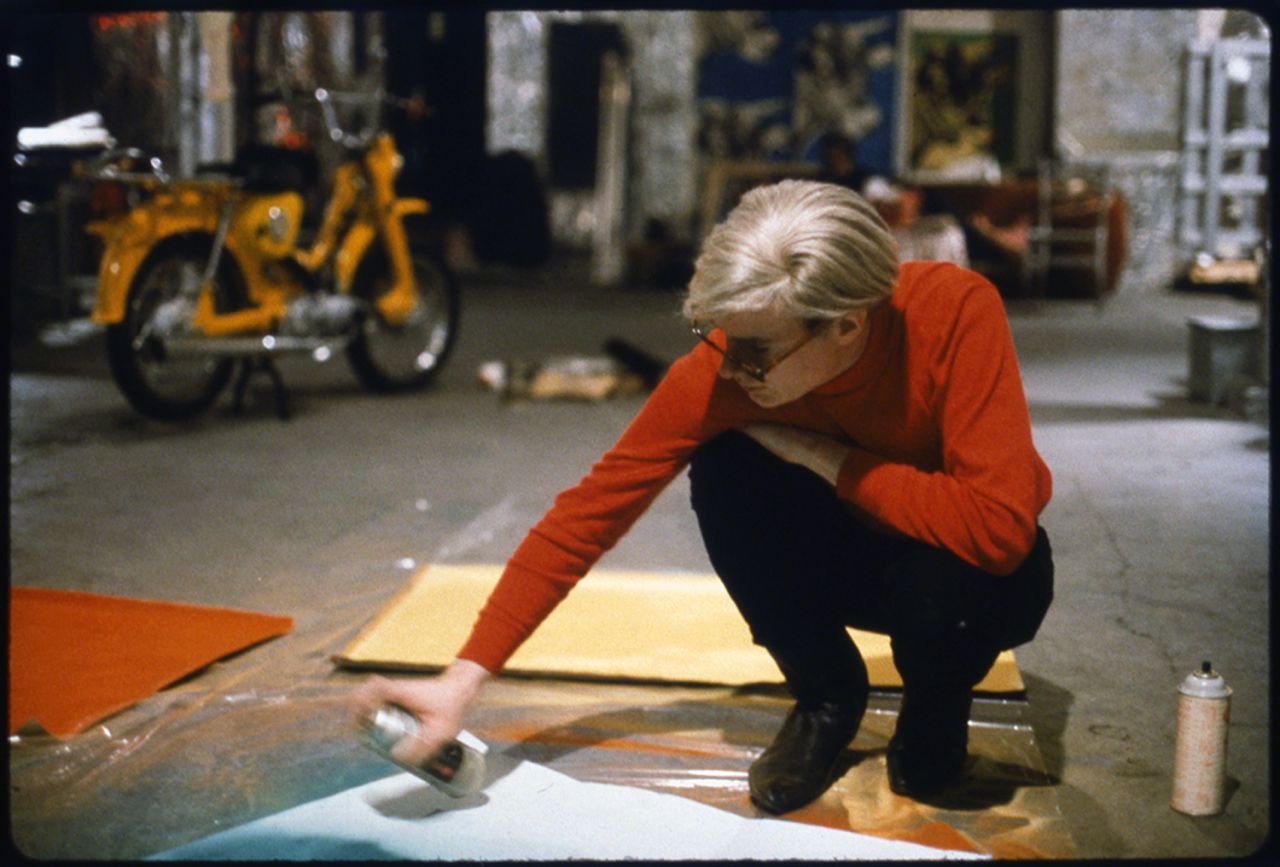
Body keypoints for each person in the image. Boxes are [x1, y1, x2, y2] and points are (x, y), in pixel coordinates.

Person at [355, 179, 1054, 814]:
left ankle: (932, 719)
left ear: (846, 323)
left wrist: (832, 460)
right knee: (727, 468)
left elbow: (999, 530)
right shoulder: (728, 366)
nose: (731, 363)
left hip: (965, 576)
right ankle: (826, 694)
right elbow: (588, 515)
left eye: (755, 348)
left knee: (943, 605)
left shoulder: (956, 313)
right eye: (718, 337)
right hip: (854, 554)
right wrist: (460, 681)